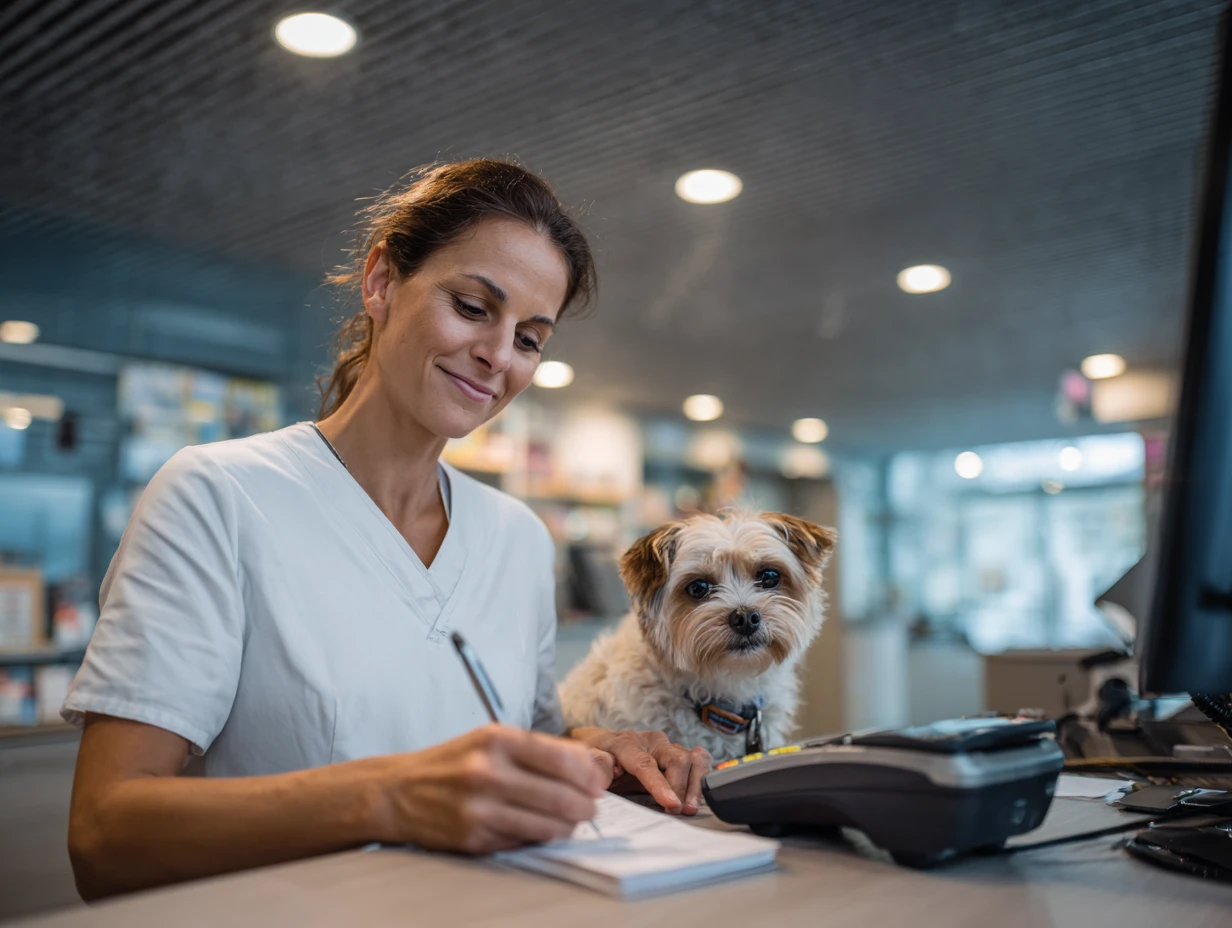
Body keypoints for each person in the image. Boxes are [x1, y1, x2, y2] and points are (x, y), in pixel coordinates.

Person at [63, 159, 712, 901]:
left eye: (530, 339)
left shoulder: (517, 537)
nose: (499, 356)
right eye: (472, 307)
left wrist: (594, 750)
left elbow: (522, 744)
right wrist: (389, 796)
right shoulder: (218, 496)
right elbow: (104, 833)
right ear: (381, 282)